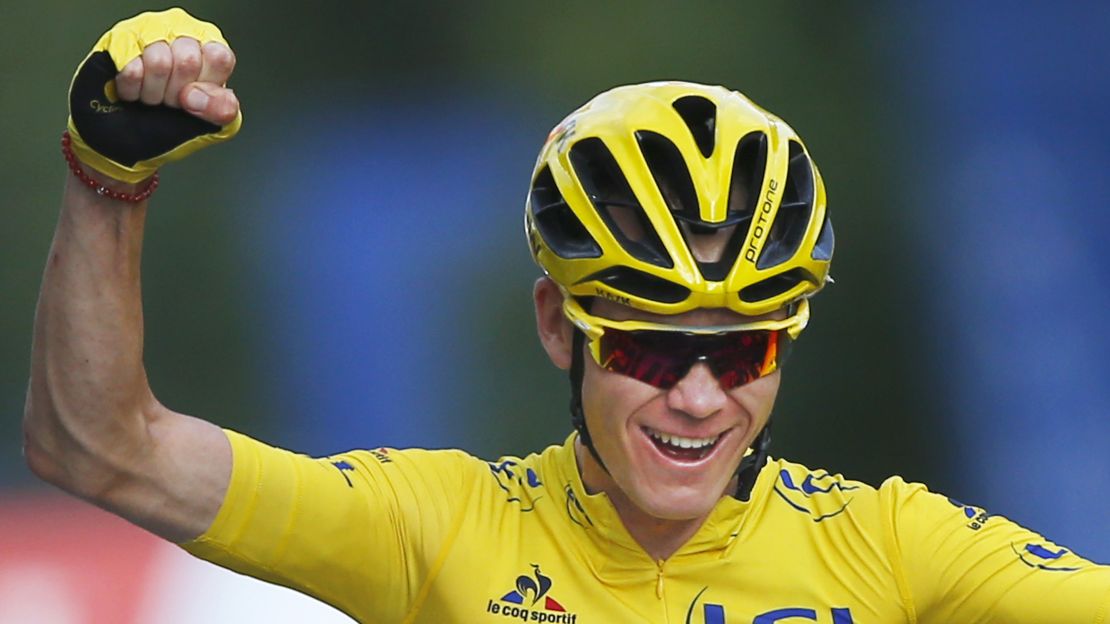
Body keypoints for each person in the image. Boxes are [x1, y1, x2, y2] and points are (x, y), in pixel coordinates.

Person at [23, 9, 1110, 624]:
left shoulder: (893, 546)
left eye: (742, 352)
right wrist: (107, 181)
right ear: (558, 324)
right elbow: (99, 449)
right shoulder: (436, 527)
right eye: (649, 344)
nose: (696, 395)